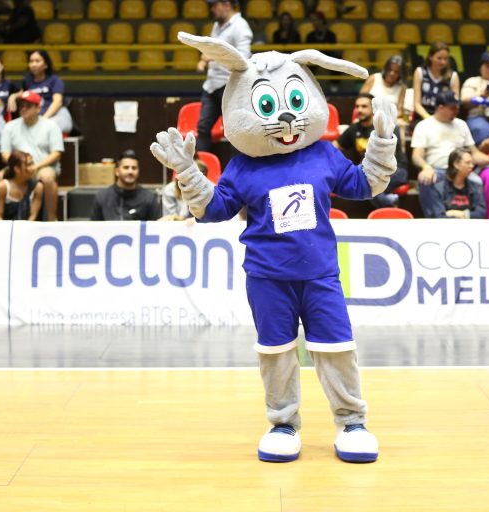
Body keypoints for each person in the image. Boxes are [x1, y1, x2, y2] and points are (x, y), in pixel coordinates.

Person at [151, 34, 397, 463]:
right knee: (277, 353)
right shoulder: (242, 166)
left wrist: (381, 141)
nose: (284, 118)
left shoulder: (323, 154)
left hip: (320, 274)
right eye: (267, 106)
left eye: (294, 102)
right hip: (267, 278)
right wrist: (188, 172)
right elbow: (214, 211)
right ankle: (283, 423)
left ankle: (352, 423)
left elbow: (365, 184)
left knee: (337, 349)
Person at [411, 90, 489, 218]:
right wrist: (426, 167)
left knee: (477, 181)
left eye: (457, 107)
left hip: (461, 169)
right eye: (452, 108)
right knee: (425, 179)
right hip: (437, 170)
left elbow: (474, 154)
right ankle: (434, 219)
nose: (457, 110)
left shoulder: (461, 124)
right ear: (441, 107)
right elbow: (416, 156)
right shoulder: (424, 125)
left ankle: (476, 217)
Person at [194, 0, 252, 152]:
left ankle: (236, 167)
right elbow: (211, 49)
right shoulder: (217, 26)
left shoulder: (240, 26)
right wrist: (204, 60)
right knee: (203, 128)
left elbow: (243, 58)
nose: (212, 9)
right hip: (211, 85)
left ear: (227, 4)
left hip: (229, 86)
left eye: (215, 5)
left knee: (234, 131)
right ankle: (201, 165)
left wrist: (213, 56)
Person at [333, 93, 407, 207]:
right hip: (371, 171)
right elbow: (334, 147)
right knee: (367, 180)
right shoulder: (354, 129)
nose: (359, 110)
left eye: (364, 106)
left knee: (369, 182)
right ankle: (389, 202)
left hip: (395, 170)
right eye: (357, 106)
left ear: (373, 109)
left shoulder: (386, 127)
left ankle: (388, 203)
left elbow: (390, 155)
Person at [0, 90, 63, 221]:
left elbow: (56, 153)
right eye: (21, 106)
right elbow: (5, 154)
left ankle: (52, 220)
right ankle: (0, 219)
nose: (23, 109)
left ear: (38, 108)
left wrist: (36, 166)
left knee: (47, 177)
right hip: (18, 167)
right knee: (1, 175)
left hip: (42, 166)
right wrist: (19, 167)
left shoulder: (51, 125)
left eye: (28, 106)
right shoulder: (10, 126)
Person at [9, 49, 73, 134]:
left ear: (46, 65)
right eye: (31, 61)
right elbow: (23, 93)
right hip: (35, 118)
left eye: (37, 61)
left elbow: (57, 102)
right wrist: (12, 97)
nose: (33, 64)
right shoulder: (27, 80)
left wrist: (42, 121)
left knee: (46, 128)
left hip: (57, 115)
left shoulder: (55, 80)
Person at [91, 149, 162, 221]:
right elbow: (93, 226)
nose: (130, 171)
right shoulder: (102, 197)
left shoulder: (149, 198)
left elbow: (157, 225)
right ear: (117, 171)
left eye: (134, 168)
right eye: (126, 167)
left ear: (138, 172)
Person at [420, 149, 486, 219]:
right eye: (467, 163)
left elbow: (481, 212)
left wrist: (461, 214)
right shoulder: (438, 188)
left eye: (472, 163)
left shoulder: (475, 186)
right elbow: (439, 216)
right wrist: (467, 215)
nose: (471, 166)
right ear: (456, 164)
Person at [412, 41, 459, 127]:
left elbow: (455, 105)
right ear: (430, 57)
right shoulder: (420, 72)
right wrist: (430, 120)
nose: (443, 62)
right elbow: (417, 104)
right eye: (439, 58)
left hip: (445, 118)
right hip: (423, 118)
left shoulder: (453, 76)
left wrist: (442, 119)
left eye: (446, 59)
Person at [0, 150, 44, 220]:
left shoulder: (37, 187)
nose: (33, 168)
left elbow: (33, 217)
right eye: (29, 165)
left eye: (32, 164)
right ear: (17, 169)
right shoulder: (2, 187)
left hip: (27, 226)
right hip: (5, 225)